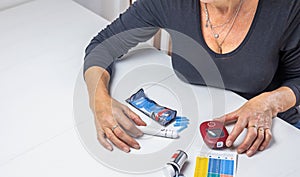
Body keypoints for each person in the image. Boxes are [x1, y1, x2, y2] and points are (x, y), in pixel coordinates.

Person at [83, 0, 300, 156]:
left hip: (273, 131)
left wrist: (269, 102)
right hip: (196, 129)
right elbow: (102, 47)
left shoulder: (287, 8)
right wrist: (98, 99)